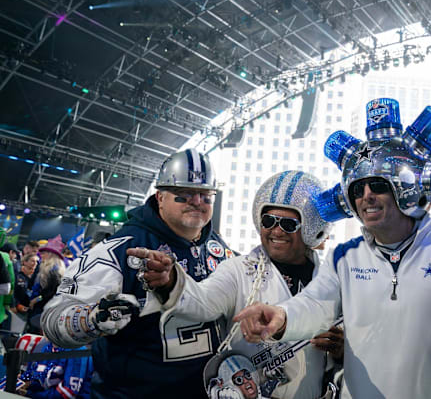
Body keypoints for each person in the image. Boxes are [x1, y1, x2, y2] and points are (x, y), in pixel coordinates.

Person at [235, 101, 431, 398]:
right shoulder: (343, 257)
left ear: (406, 188)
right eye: (357, 189)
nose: (367, 197)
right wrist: (282, 317)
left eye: (378, 185)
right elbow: (315, 305)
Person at [41, 148, 233, 398]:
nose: (197, 201)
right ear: (160, 197)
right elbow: (53, 320)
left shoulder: (222, 252)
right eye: (184, 194)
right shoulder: (117, 250)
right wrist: (91, 319)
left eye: (205, 195)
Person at [140, 170, 341, 399]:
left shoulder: (331, 280)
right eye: (268, 221)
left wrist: (342, 349)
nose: (276, 231)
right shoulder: (237, 270)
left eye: (288, 224)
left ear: (311, 228)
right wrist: (172, 281)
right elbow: (202, 301)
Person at [27, 235, 65, 333]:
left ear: (51, 255)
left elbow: (51, 292)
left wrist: (36, 299)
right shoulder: (45, 269)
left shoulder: (54, 271)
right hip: (41, 307)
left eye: (44, 253)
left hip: (43, 308)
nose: (41, 254)